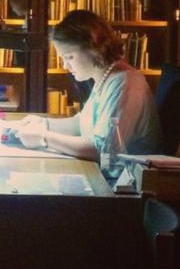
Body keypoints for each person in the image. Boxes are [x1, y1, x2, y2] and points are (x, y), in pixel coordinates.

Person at [14, 9, 162, 160]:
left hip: (120, 179)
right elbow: (82, 124)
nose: (65, 66)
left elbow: (100, 150)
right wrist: (44, 123)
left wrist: (44, 138)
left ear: (93, 48)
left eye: (69, 57)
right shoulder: (105, 77)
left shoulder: (124, 83)